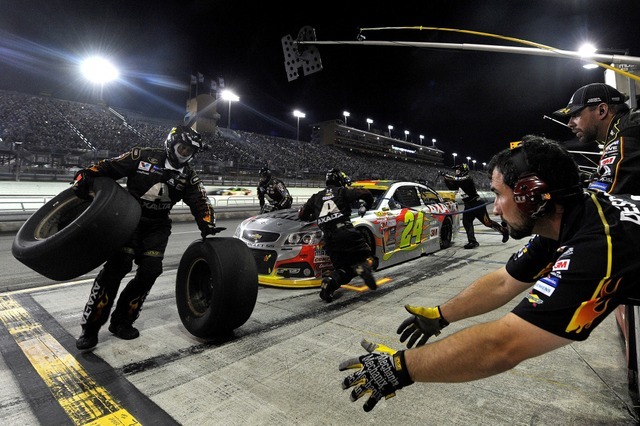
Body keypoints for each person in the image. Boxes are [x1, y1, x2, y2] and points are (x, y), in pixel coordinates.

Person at [339, 135, 640, 412]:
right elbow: (502, 282)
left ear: (531, 195)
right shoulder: (573, 219)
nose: (494, 209)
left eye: (498, 194)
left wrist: (400, 367)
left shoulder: (599, 247)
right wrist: (441, 314)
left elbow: (502, 346)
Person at [73, 125, 221, 350]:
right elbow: (109, 166)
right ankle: (90, 329)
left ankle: (122, 322)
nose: (184, 154)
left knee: (151, 271)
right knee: (117, 267)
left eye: (189, 151)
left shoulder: (189, 176)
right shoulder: (141, 155)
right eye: (182, 148)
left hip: (158, 227)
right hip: (128, 219)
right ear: (170, 144)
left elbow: (200, 201)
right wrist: (86, 173)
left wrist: (207, 223)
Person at [298, 168, 377, 302]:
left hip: (329, 239)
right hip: (346, 233)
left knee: (342, 269)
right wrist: (365, 206)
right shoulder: (342, 191)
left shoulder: (316, 196)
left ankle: (329, 283)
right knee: (370, 259)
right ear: (340, 180)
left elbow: (302, 215)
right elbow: (366, 193)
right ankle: (362, 267)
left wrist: (314, 215)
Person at [553, 82, 640, 195]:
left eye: (576, 115)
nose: (570, 123)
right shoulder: (625, 125)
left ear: (602, 110)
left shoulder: (626, 135)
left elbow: (606, 196)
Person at [440, 163, 509, 249]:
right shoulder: (459, 180)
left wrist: (447, 176)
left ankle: (504, 231)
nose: (457, 172)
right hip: (468, 205)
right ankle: (472, 241)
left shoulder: (467, 178)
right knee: (466, 223)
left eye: (458, 170)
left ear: (464, 170)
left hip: (477, 204)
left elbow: (458, 180)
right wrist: (446, 179)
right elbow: (452, 187)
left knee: (487, 223)